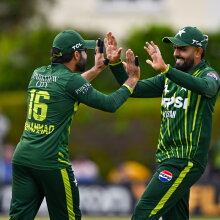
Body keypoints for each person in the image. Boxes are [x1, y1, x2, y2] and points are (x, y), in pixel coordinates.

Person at [9, 30, 140, 220]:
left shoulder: (38, 74)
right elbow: (110, 104)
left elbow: (67, 87)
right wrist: (131, 81)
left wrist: (97, 68)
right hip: (51, 161)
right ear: (76, 54)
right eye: (85, 52)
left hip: (23, 158)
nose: (88, 55)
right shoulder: (71, 81)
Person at [105, 27, 220, 220]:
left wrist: (167, 70)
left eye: (182, 49)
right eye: (175, 48)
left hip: (185, 160)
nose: (176, 53)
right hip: (167, 158)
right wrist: (116, 65)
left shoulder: (209, 75)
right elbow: (136, 89)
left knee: (144, 211)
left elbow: (206, 88)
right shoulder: (170, 76)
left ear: (198, 51)